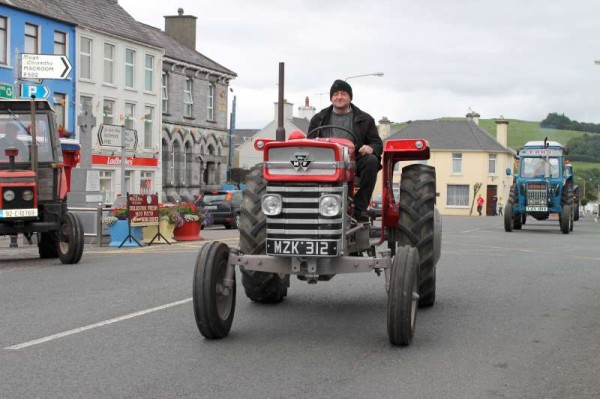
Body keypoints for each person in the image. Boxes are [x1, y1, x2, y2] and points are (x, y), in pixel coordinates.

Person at [308, 79, 383, 221]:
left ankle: (359, 208)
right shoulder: (318, 119)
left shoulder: (365, 119)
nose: (339, 97)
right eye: (335, 94)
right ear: (331, 98)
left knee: (371, 161)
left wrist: (370, 148)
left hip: (354, 160)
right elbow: (309, 142)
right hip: (326, 160)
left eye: (343, 93)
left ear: (350, 97)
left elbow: (377, 143)